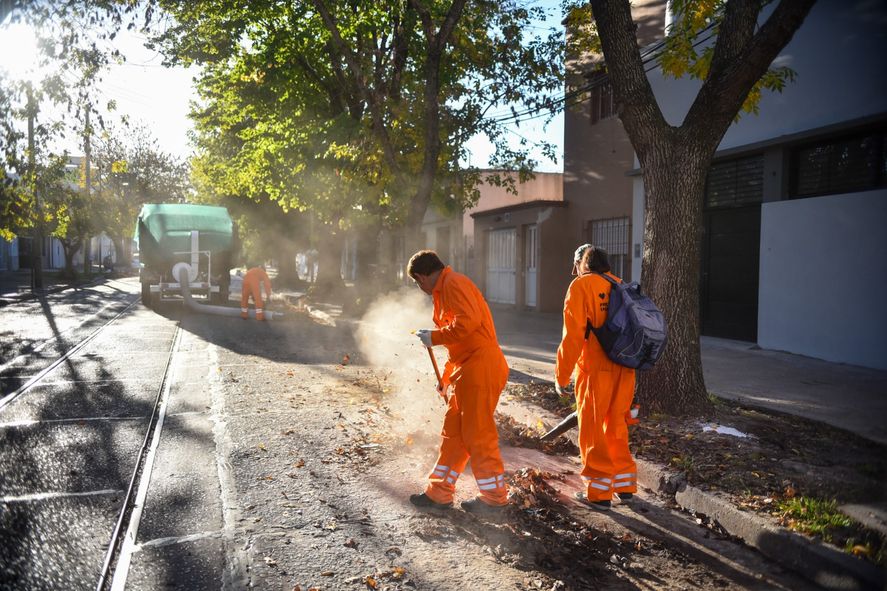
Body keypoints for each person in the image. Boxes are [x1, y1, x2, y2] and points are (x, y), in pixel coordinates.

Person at [408, 250, 510, 514]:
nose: (421, 289)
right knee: (454, 433)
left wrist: (435, 337)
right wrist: (444, 379)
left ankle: (494, 499)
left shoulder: (454, 284)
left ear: (421, 277)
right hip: (469, 368)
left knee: (478, 434)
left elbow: (467, 324)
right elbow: (458, 346)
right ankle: (439, 492)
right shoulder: (444, 291)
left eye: (418, 283)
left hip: (481, 367)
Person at [555, 246, 637, 511]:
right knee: (617, 426)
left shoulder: (581, 286)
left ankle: (599, 493)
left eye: (575, 265)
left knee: (592, 430)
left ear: (582, 263)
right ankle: (625, 486)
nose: (574, 271)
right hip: (625, 369)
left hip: (595, 371)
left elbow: (573, 337)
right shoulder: (620, 284)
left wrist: (562, 375)